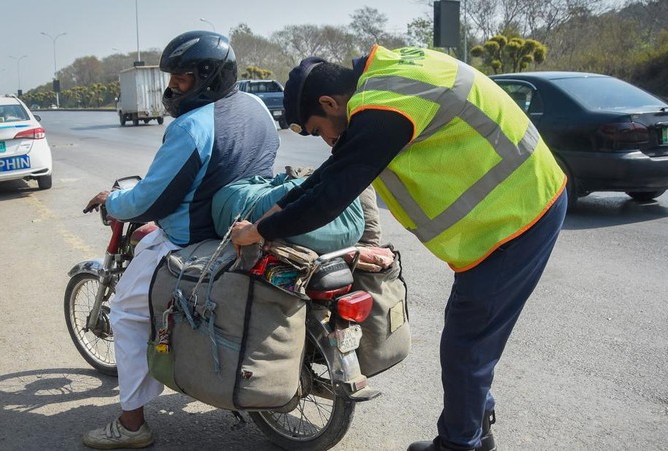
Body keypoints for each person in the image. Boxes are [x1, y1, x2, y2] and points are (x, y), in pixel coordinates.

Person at [231, 45, 568, 451]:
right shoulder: (384, 79)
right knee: (470, 337)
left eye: (320, 129)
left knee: (466, 343)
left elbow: (330, 197)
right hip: (508, 214)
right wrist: (267, 219)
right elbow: (327, 175)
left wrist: (262, 232)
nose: (326, 139)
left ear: (328, 102)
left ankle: (459, 444)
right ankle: (476, 428)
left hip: (520, 215)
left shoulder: (383, 107)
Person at [81, 30, 278, 449]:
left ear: (209, 76)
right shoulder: (257, 106)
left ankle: (132, 425)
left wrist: (113, 203)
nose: (173, 87)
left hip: (191, 242)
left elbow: (149, 199)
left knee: (125, 315)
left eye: (183, 78)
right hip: (247, 228)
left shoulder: (191, 127)